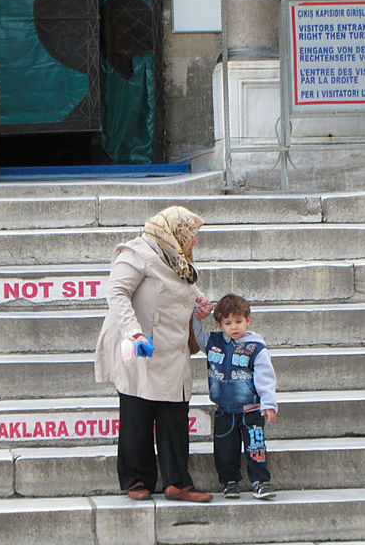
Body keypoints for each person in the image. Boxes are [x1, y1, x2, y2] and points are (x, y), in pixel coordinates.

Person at [95, 206, 214, 503]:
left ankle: (177, 483)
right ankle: (136, 479)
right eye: (192, 236)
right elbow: (117, 293)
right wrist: (134, 334)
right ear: (175, 234)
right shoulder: (137, 253)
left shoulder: (176, 257)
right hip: (140, 344)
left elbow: (185, 284)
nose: (195, 242)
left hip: (171, 346)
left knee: (174, 412)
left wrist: (200, 301)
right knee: (137, 409)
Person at [192, 293, 278, 500]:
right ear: (219, 323)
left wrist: (269, 403)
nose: (234, 327)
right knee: (224, 449)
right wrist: (196, 317)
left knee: (255, 447)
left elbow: (265, 377)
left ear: (248, 319)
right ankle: (229, 482)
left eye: (239, 321)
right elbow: (197, 335)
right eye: (228, 322)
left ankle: (260, 482)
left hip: (251, 410)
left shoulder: (256, 348)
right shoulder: (213, 342)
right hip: (224, 410)